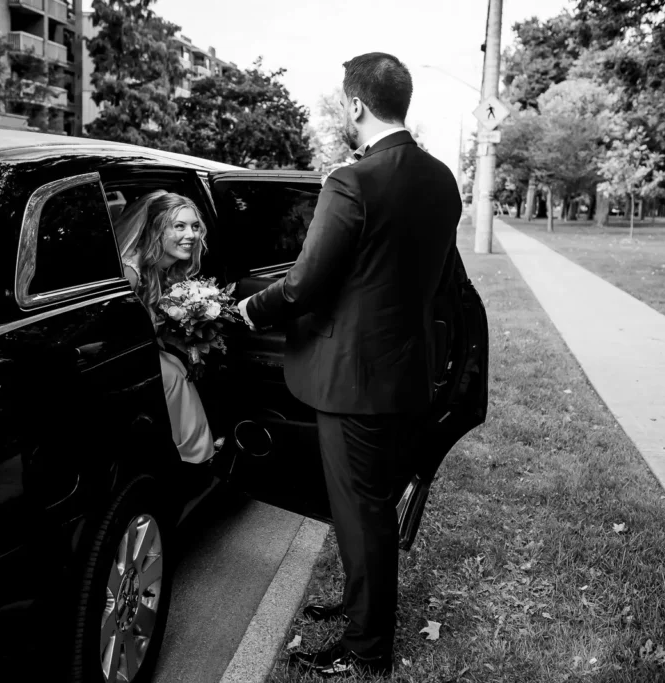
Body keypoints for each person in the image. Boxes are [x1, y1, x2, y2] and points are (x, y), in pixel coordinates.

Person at [236, 53, 462, 678]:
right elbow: (436, 283)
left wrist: (251, 311)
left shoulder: (352, 181)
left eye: (344, 100)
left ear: (356, 105)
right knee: (369, 507)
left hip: (352, 382)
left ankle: (368, 651)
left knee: (362, 513)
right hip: (408, 374)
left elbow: (306, 282)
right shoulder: (444, 181)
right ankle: (360, 606)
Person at [113, 190, 215, 465]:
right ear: (156, 229)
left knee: (180, 367)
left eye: (195, 226)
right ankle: (191, 459)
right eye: (179, 226)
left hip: (150, 353)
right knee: (173, 373)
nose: (191, 235)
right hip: (127, 362)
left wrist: (191, 345)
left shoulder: (163, 270)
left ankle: (192, 456)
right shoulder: (131, 274)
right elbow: (118, 334)